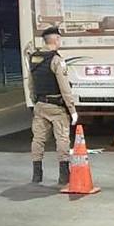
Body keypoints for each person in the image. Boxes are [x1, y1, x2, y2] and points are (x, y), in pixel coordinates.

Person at [28, 27, 78, 185]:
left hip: (40, 105)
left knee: (38, 139)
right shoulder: (57, 60)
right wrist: (72, 110)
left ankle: (37, 174)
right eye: (59, 39)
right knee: (62, 138)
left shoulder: (34, 58)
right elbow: (65, 88)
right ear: (55, 40)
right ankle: (64, 175)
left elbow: (30, 83)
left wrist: (34, 100)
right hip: (56, 107)